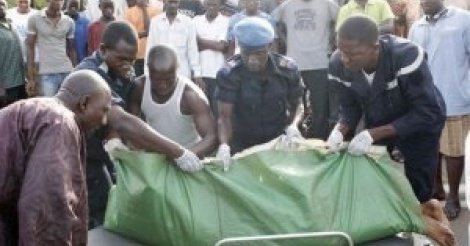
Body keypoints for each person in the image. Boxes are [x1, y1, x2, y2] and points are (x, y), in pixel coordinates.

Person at [326, 16, 454, 246]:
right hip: (380, 118)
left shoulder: (406, 55)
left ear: (374, 47)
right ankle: (396, 228)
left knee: (419, 186)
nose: (345, 59)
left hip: (421, 122)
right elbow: (350, 109)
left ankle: (427, 233)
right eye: (341, 51)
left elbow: (425, 111)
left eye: (353, 53)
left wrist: (372, 134)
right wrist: (338, 131)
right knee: (378, 179)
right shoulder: (338, 63)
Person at [75, 21, 203, 227]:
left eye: (132, 60)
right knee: (91, 214)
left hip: (102, 152)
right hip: (80, 155)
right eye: (122, 59)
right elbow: (123, 120)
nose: (127, 65)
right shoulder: (90, 74)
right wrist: (177, 152)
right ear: (103, 50)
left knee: (111, 204)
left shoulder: (120, 71)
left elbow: (126, 109)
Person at [0, 70, 112, 245]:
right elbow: (47, 209)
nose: (104, 121)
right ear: (84, 103)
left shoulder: (41, 109)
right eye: (104, 110)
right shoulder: (60, 122)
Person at [409, 0, 470, 221]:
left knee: (453, 149)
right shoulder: (417, 27)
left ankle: (453, 197)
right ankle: (437, 189)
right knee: (431, 148)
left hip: (455, 96)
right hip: (425, 100)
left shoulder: (463, 20)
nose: (424, 2)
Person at [215, 17, 304, 169]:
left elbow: (298, 105)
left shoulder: (287, 70)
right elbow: (225, 117)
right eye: (246, 54)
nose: (252, 60)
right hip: (242, 145)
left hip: (278, 142)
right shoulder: (229, 74)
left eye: (259, 54)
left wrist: (294, 126)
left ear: (270, 46)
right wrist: (224, 145)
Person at [129, 45, 217, 158]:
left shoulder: (191, 96)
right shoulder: (139, 88)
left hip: (189, 153)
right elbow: (132, 124)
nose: (163, 86)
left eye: (169, 79)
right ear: (148, 70)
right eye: (157, 80)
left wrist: (185, 155)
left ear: (177, 70)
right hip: (156, 155)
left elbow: (211, 136)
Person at [271, 0, 339, 140]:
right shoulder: (287, 5)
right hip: (293, 64)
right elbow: (271, 20)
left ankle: (319, 142)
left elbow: (341, 19)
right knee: (293, 106)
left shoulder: (327, 4)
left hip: (319, 63)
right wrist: (284, 40)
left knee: (320, 108)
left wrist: (332, 40)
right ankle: (295, 137)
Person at [146, 0, 205, 88]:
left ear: (179, 2)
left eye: (175, 2)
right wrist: (147, 73)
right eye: (170, 2)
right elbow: (150, 49)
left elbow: (192, 50)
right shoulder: (155, 22)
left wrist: (197, 74)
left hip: (182, 75)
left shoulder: (188, 22)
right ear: (164, 2)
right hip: (161, 74)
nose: (173, 5)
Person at [26, 0, 77, 97]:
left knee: (67, 108)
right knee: (50, 109)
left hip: (67, 71)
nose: (60, 2)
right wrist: (31, 79)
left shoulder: (69, 21)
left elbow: (72, 49)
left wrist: (74, 72)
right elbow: (30, 47)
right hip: (47, 74)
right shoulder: (34, 19)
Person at [193, 0, 229, 114]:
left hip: (217, 74)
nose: (211, 7)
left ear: (220, 6)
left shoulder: (226, 22)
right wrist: (213, 44)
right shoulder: (195, 21)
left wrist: (200, 41)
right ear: (204, 5)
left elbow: (222, 47)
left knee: (217, 113)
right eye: (209, 4)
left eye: (215, 5)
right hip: (199, 74)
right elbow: (192, 46)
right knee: (200, 112)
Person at [125, 0, 161, 76]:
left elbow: (151, 30)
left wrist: (144, 9)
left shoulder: (156, 11)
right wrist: (146, 33)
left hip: (151, 54)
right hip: (135, 55)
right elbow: (128, 34)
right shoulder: (129, 12)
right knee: (137, 81)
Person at [0, 0, 26, 107]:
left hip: (19, 82)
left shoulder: (11, 25)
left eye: (2, 4)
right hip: (5, 85)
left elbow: (18, 52)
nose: (0, 7)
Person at [6, 0, 37, 64]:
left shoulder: (37, 14)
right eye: (20, 2)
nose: (23, 4)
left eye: (26, 2)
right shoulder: (8, 14)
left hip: (34, 58)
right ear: (16, 1)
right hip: (13, 58)